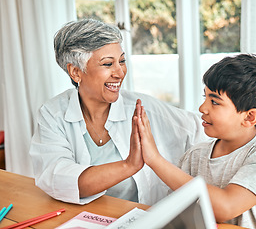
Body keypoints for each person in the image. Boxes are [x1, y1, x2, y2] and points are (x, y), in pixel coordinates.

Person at [29, 19, 208, 205]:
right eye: (107, 64)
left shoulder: (143, 108)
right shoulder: (53, 114)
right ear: (75, 72)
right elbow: (57, 178)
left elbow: (203, 129)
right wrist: (128, 165)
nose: (120, 72)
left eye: (121, 61)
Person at [134, 54, 256, 228]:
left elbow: (226, 207)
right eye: (204, 97)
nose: (202, 108)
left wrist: (155, 160)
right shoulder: (195, 155)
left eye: (214, 101)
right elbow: (175, 212)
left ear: (250, 117)